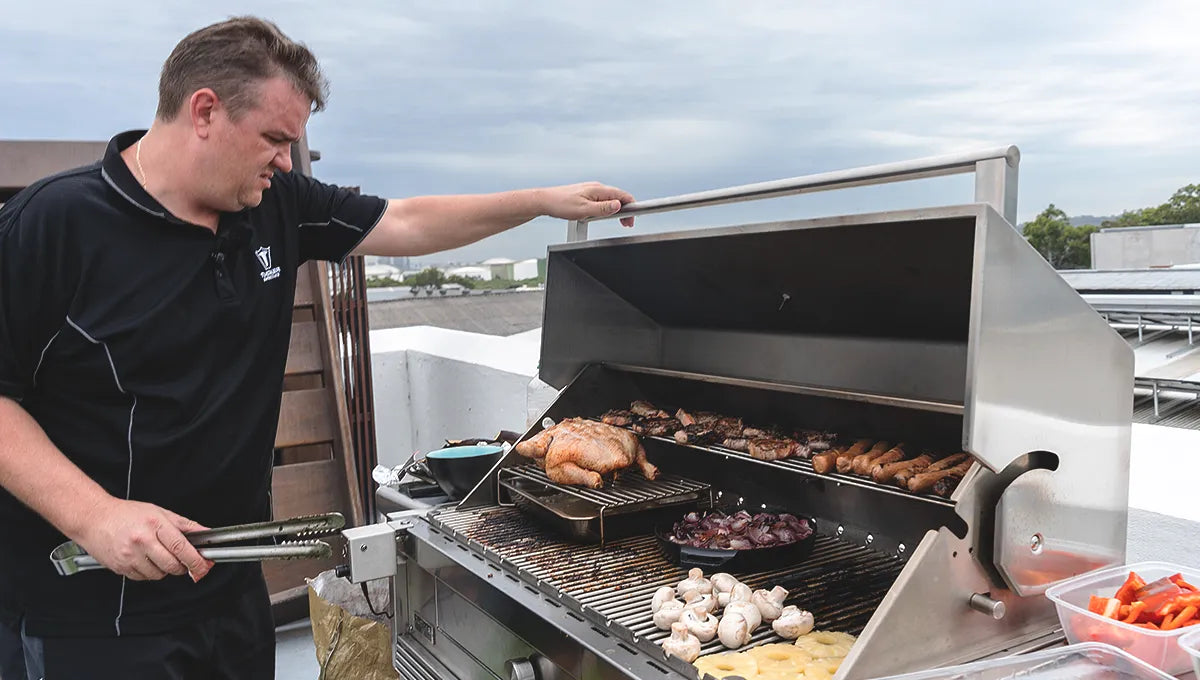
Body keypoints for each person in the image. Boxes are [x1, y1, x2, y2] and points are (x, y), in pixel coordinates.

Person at [0, 15, 634, 680]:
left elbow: (406, 220)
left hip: (229, 585)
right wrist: (95, 515)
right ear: (205, 112)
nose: (285, 160)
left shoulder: (275, 204)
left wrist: (540, 201)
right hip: (89, 614)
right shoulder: (52, 225)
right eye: (275, 139)